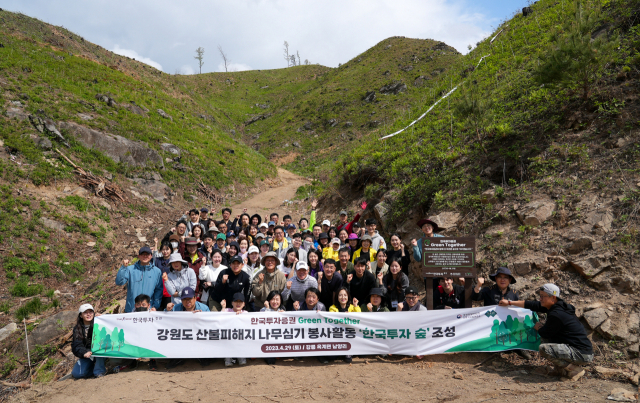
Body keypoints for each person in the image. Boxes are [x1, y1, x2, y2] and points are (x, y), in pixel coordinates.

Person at [499, 284, 594, 381]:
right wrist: (509, 303)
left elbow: (545, 333)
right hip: (581, 350)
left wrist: (538, 326)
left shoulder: (557, 314)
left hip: (581, 353)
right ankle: (561, 370)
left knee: (545, 348)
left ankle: (575, 370)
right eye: (540, 296)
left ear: (553, 298)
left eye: (542, 296)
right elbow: (532, 305)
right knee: (551, 341)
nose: (540, 299)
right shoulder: (557, 306)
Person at [116, 246, 163, 312]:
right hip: (131, 308)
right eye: (142, 254)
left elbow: (159, 290)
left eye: (147, 254)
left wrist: (155, 306)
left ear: (151, 256)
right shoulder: (130, 269)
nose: (145, 256)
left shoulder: (157, 271)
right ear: (138, 256)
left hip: (148, 309)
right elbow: (119, 282)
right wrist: (123, 267)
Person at [71, 304, 106, 378]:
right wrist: (84, 353)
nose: (88, 314)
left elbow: (112, 322)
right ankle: (94, 369)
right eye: (85, 312)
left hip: (101, 350)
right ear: (80, 315)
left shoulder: (98, 322)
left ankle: (99, 372)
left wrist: (103, 317)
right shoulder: (77, 329)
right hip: (88, 354)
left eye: (90, 312)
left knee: (98, 351)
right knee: (77, 373)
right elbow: (76, 345)